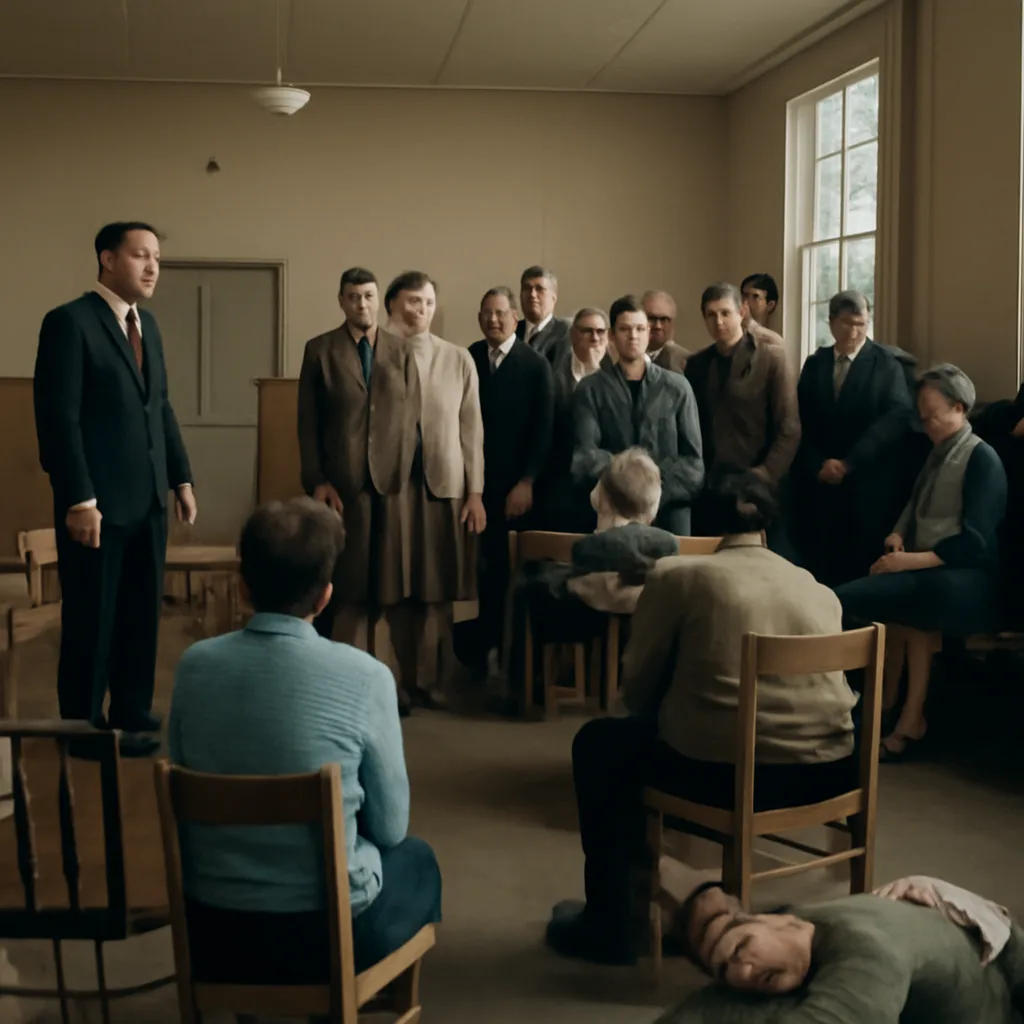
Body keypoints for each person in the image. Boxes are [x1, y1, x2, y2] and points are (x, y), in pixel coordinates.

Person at [545, 468, 857, 965]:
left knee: (600, 744)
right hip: (831, 773)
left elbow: (637, 688)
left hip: (726, 775)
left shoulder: (680, 577)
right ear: (768, 526)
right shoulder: (818, 588)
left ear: (705, 525)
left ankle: (613, 921)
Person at [169, 498, 441, 987]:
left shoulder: (194, 668)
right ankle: (357, 995)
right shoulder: (366, 678)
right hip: (324, 939)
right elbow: (391, 826)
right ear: (324, 598)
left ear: (243, 586)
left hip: (214, 934)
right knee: (417, 859)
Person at [33, 221, 195, 758]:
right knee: (91, 618)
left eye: (156, 258)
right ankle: (82, 724)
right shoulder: (69, 323)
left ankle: (130, 708)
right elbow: (59, 420)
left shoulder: (146, 324)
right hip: (96, 505)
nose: (152, 267)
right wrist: (79, 498)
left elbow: (160, 408)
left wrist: (181, 476)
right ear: (106, 259)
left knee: (139, 613)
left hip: (148, 499)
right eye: (139, 255)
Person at [835, 364, 1007, 760]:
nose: (925, 424)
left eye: (932, 416)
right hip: (925, 567)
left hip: (966, 579)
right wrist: (897, 536)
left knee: (852, 598)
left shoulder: (983, 459)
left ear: (960, 408)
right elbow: (914, 506)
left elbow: (976, 543)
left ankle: (889, 709)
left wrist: (909, 562)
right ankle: (886, 708)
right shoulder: (937, 453)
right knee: (881, 603)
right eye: (922, 416)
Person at [296, 267, 421, 709]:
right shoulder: (320, 351)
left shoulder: (402, 351)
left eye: (368, 296)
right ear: (342, 301)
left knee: (389, 588)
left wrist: (403, 474)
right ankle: (340, 684)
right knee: (345, 586)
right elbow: (307, 425)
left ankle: (389, 685)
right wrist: (317, 481)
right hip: (342, 488)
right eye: (353, 297)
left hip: (391, 486)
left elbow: (412, 419)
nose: (362, 304)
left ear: (377, 300)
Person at [664, 877, 1024, 1023]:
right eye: (726, 969)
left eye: (743, 948)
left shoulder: (867, 954)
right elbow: (709, 1006)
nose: (741, 971)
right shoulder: (802, 923)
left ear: (779, 921)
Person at [383, 271, 485, 707]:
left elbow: (472, 430)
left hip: (445, 485)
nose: (420, 310)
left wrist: (475, 492)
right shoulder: (377, 354)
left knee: (436, 588)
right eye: (411, 301)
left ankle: (431, 679)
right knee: (395, 583)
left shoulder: (458, 358)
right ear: (392, 305)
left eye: (427, 302)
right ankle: (394, 680)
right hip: (391, 485)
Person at [791, 291, 915, 585]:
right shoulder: (815, 364)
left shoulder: (886, 364)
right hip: (820, 483)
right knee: (819, 567)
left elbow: (894, 420)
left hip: (866, 485)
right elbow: (799, 422)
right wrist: (818, 464)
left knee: (859, 570)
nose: (856, 331)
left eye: (862, 323)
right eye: (848, 323)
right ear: (832, 322)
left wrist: (849, 463)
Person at [469, 286, 553, 674]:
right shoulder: (468, 357)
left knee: (510, 574)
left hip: (516, 488)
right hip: (474, 486)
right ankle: (480, 653)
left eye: (501, 312)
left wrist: (528, 481)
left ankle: (510, 658)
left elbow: (544, 430)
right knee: (480, 573)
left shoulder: (535, 365)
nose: (493, 319)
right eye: (486, 312)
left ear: (516, 318)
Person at [572, 294, 704, 534]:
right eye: (625, 329)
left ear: (648, 333)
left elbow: (693, 466)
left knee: (672, 572)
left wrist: (651, 494)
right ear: (612, 335)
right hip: (612, 511)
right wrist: (630, 491)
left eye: (640, 328)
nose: (633, 336)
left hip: (669, 512)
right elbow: (585, 458)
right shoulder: (590, 389)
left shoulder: (678, 388)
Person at [685, 283, 800, 538]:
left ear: (742, 311)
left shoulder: (771, 357)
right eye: (711, 315)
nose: (719, 321)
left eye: (725, 313)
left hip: (760, 481)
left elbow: (789, 428)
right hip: (713, 484)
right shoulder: (696, 365)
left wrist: (765, 474)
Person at [536, 307, 613, 532]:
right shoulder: (551, 376)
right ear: (572, 335)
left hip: (604, 488)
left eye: (600, 331)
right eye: (587, 331)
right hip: (560, 488)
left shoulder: (616, 378)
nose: (595, 337)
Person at [516, 265, 572, 364]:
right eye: (527, 288)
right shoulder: (511, 331)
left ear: (554, 297)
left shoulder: (566, 333)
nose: (532, 294)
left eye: (539, 289)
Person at [642, 289, 689, 373]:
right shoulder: (626, 355)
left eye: (664, 319)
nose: (658, 326)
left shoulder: (686, 361)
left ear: (673, 323)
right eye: (652, 318)